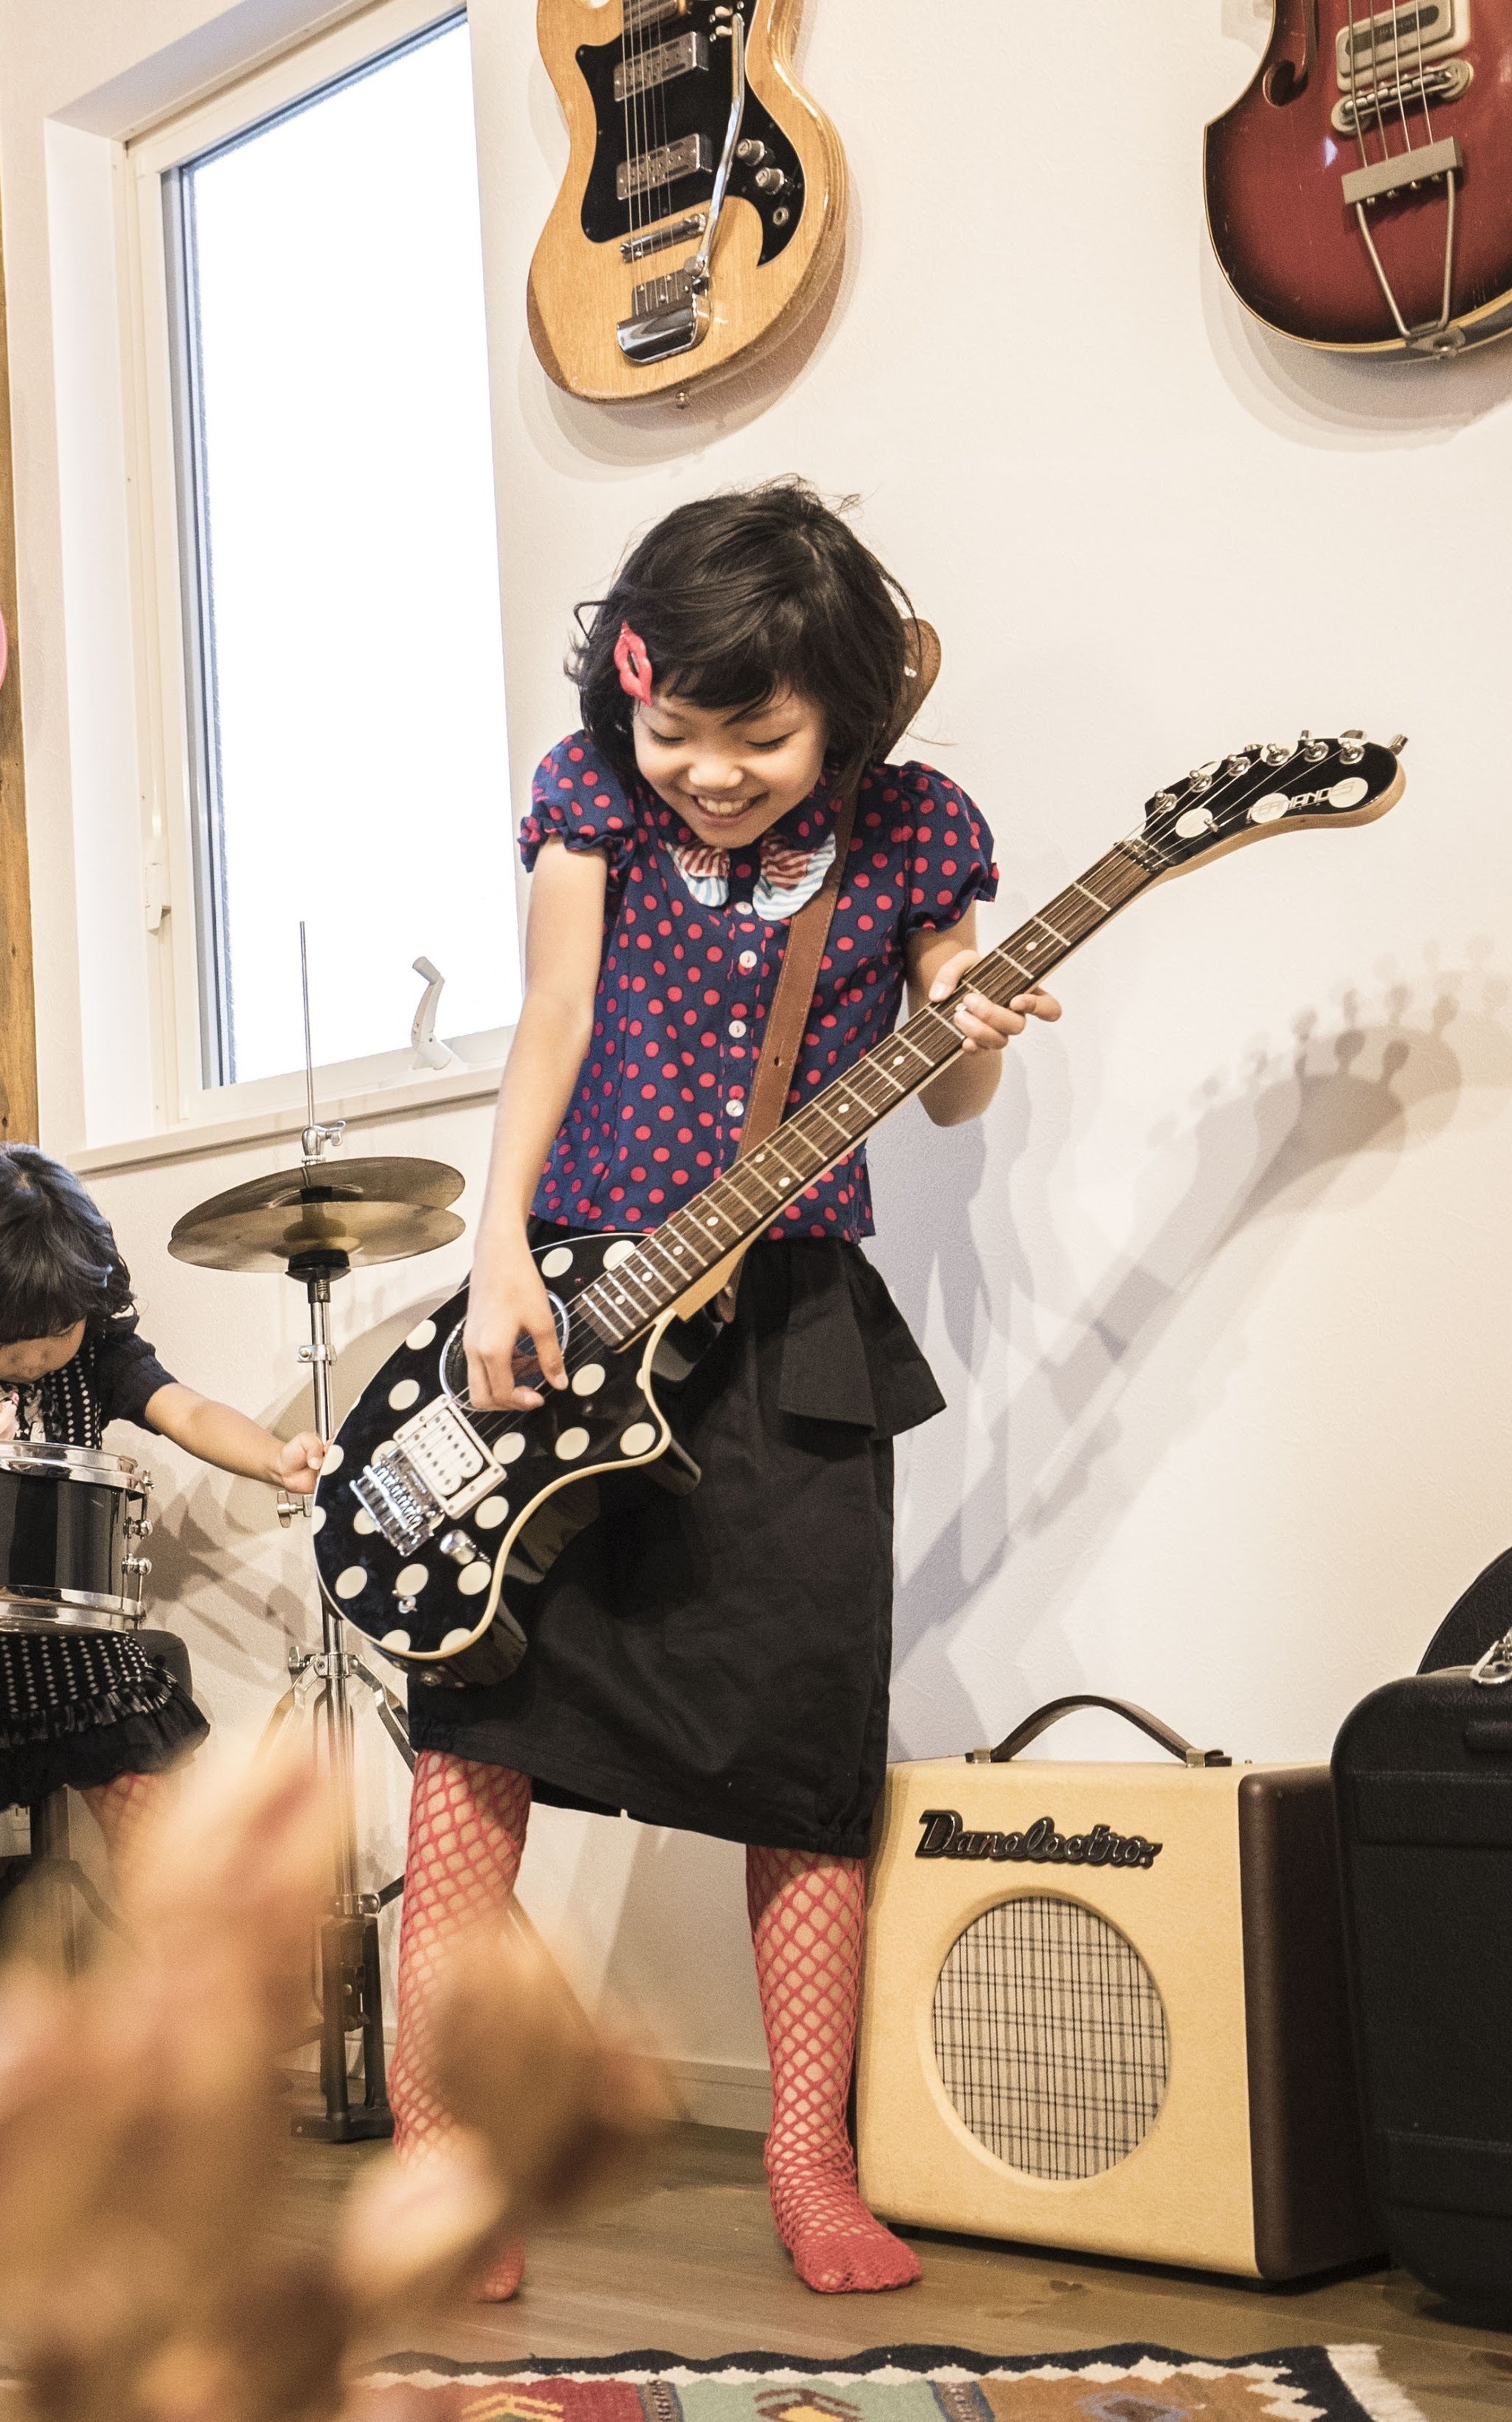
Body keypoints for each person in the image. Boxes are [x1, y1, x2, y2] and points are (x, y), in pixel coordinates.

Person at [391, 482, 1058, 2300]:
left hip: (792, 1326)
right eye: (673, 729)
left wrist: (972, 1028)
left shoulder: (917, 832)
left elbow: (951, 1090)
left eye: (755, 739)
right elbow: (553, 1017)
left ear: (843, 707)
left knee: (804, 1744)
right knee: (480, 1713)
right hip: (579, 1294)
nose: (704, 773)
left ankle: (806, 2156)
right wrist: (499, 1251)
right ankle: (435, 2141)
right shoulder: (588, 793)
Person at [0, 1145, 330, 1870]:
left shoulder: (97, 1345)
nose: (35, 1360)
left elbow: (187, 1410)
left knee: (153, 1830)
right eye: (4, 1345)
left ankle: (166, 1941)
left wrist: (271, 1457)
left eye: (57, 1336)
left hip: (71, 1647)